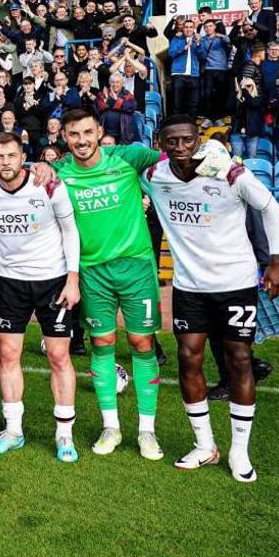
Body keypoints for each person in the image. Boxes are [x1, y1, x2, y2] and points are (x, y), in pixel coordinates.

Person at [143, 116, 279, 482]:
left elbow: (269, 207)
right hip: (189, 286)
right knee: (188, 358)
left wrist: (276, 261)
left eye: (187, 140)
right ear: (160, 142)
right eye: (171, 141)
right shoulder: (155, 178)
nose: (180, 147)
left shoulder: (229, 173)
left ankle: (240, 452)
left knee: (239, 360)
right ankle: (205, 445)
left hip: (234, 284)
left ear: (198, 139)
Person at [33, 108, 165, 460]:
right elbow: (30, 174)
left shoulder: (129, 157)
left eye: (87, 133)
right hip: (91, 271)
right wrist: (40, 166)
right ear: (65, 137)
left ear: (99, 131)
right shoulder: (59, 172)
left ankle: (147, 431)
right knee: (102, 342)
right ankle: (112, 426)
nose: (81, 141)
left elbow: (172, 158)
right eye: (73, 134)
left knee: (141, 342)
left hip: (136, 265)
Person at [0, 132, 82, 462]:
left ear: (22, 155)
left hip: (52, 279)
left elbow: (70, 231)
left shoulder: (47, 185)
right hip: (10, 281)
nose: (5, 162)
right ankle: (13, 431)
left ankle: (64, 434)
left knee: (58, 355)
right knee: (8, 354)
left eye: (11, 155)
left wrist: (72, 279)